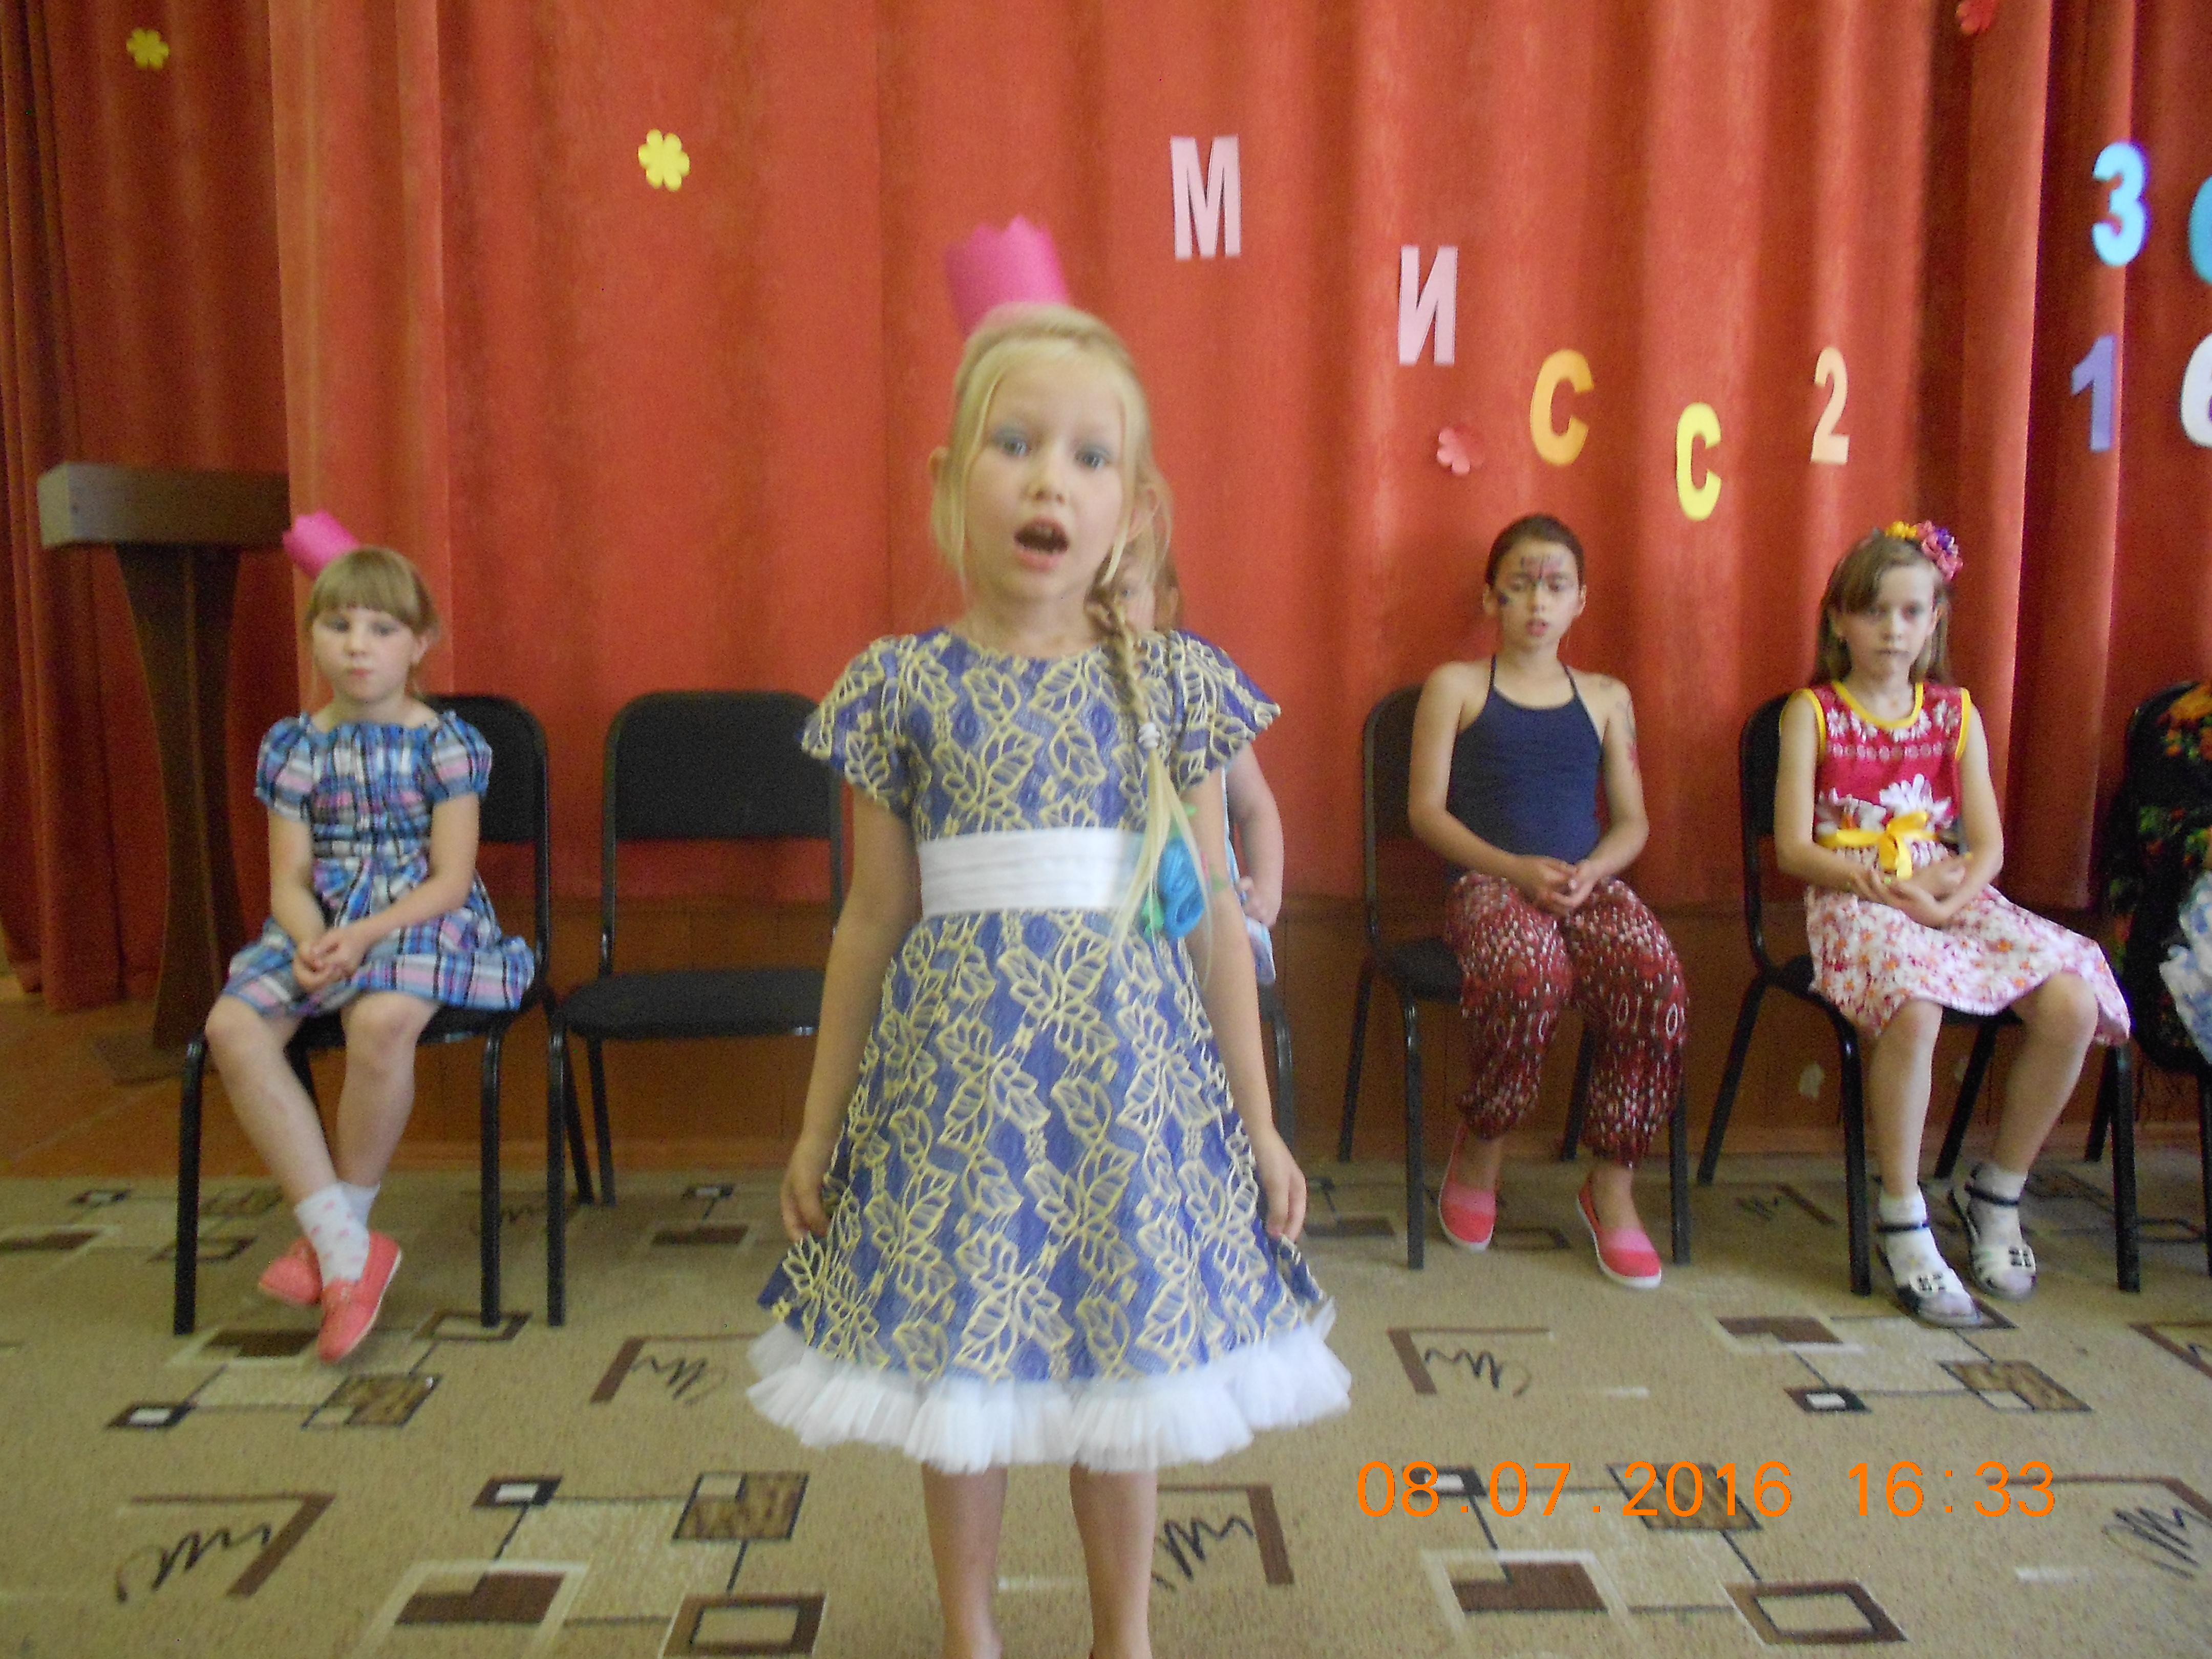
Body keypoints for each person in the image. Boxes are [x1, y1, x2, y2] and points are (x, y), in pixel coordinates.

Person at [747, 302, 1347, 1659]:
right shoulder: (900, 687)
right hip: (956, 1097)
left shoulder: (1173, 686)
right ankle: (972, 1636)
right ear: (949, 483)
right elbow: (870, 921)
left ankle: (1121, 1635)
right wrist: (818, 1124)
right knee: (962, 1374)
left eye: (1088, 457)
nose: (1047, 483)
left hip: (1127, 1094)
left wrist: (1257, 1125)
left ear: (1133, 508)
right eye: (1012, 445)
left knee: (1121, 1369)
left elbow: (1207, 925)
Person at [1774, 522, 2129, 1326]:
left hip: (1948, 890)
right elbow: (1796, 847)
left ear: (1935, 620)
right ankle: (1903, 1213)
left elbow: (1988, 845)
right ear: (1839, 620)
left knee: (2072, 1001)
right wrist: (1877, 881)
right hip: (1854, 894)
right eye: (1873, 612)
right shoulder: (1812, 713)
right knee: (1917, 1002)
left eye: (1911, 613)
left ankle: (1996, 1192)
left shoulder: (1955, 713)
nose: (1892, 631)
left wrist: (1947, 895)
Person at [202, 546, 535, 1363]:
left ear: (419, 644)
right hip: (320, 920)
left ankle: (335, 1243)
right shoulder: (293, 746)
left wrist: (365, 935)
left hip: (419, 916)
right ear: (313, 635)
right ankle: (347, 1248)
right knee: (231, 1029)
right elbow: (288, 878)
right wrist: (310, 936)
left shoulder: (445, 744)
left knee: (381, 1019)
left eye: (382, 628)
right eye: (339, 624)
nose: (358, 644)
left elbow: (450, 881)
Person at [1407, 514, 1686, 1287]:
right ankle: (1483, 1144)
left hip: (1584, 884)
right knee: (1530, 977)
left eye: (1556, 586)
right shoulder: (1456, 686)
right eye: (1522, 585)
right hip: (1489, 884)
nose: (1538, 601)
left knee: (1655, 979)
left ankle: (1613, 1183)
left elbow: (1633, 822)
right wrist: (1515, 870)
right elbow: (1425, 811)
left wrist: (1591, 872)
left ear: (1580, 601)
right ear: (1490, 597)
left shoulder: (1606, 697)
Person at [1119, 547, 1285, 983]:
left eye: (1124, 592)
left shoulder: (1195, 689)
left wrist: (1267, 888)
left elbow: (1255, 806)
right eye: (1091, 595)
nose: (1108, 612)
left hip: (1207, 909)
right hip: (1117, 917)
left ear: (1163, 603)